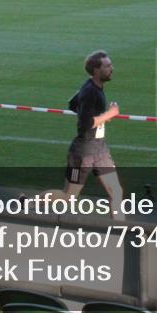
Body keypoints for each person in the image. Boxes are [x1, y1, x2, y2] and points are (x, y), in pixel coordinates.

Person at [62, 50, 125, 220]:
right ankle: (30, 203)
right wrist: (109, 114)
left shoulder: (93, 86)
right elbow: (86, 123)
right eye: (107, 66)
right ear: (97, 70)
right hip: (83, 152)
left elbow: (72, 104)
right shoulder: (90, 92)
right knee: (69, 197)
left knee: (116, 192)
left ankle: (121, 235)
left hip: (100, 149)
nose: (112, 69)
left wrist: (99, 117)